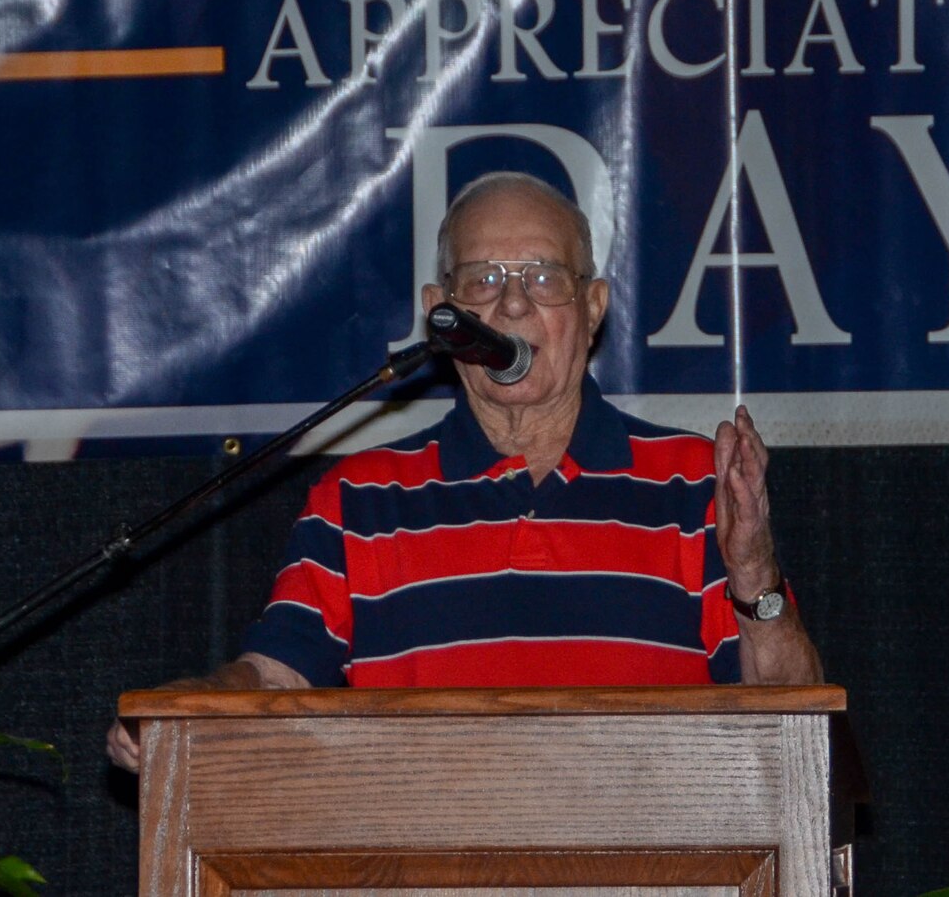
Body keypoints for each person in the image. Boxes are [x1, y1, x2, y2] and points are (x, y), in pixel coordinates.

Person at [108, 171, 822, 770]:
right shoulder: (359, 500)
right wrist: (186, 711)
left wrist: (754, 573)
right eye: (484, 280)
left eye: (542, 277)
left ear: (592, 307)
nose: (512, 305)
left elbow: (792, 726)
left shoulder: (693, 481)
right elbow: (275, 675)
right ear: (441, 314)